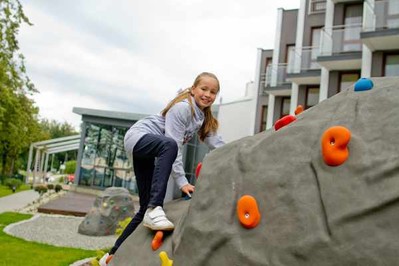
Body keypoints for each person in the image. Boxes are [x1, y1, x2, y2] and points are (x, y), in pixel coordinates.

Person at [99, 72, 224, 266]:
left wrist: (239, 151)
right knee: (170, 147)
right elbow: (173, 146)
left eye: (213, 92)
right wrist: (182, 182)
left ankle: (110, 256)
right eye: (204, 89)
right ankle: (154, 208)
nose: (208, 94)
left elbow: (217, 143)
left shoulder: (202, 117)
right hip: (139, 137)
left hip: (149, 149)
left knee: (142, 210)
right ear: (193, 89)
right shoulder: (183, 108)